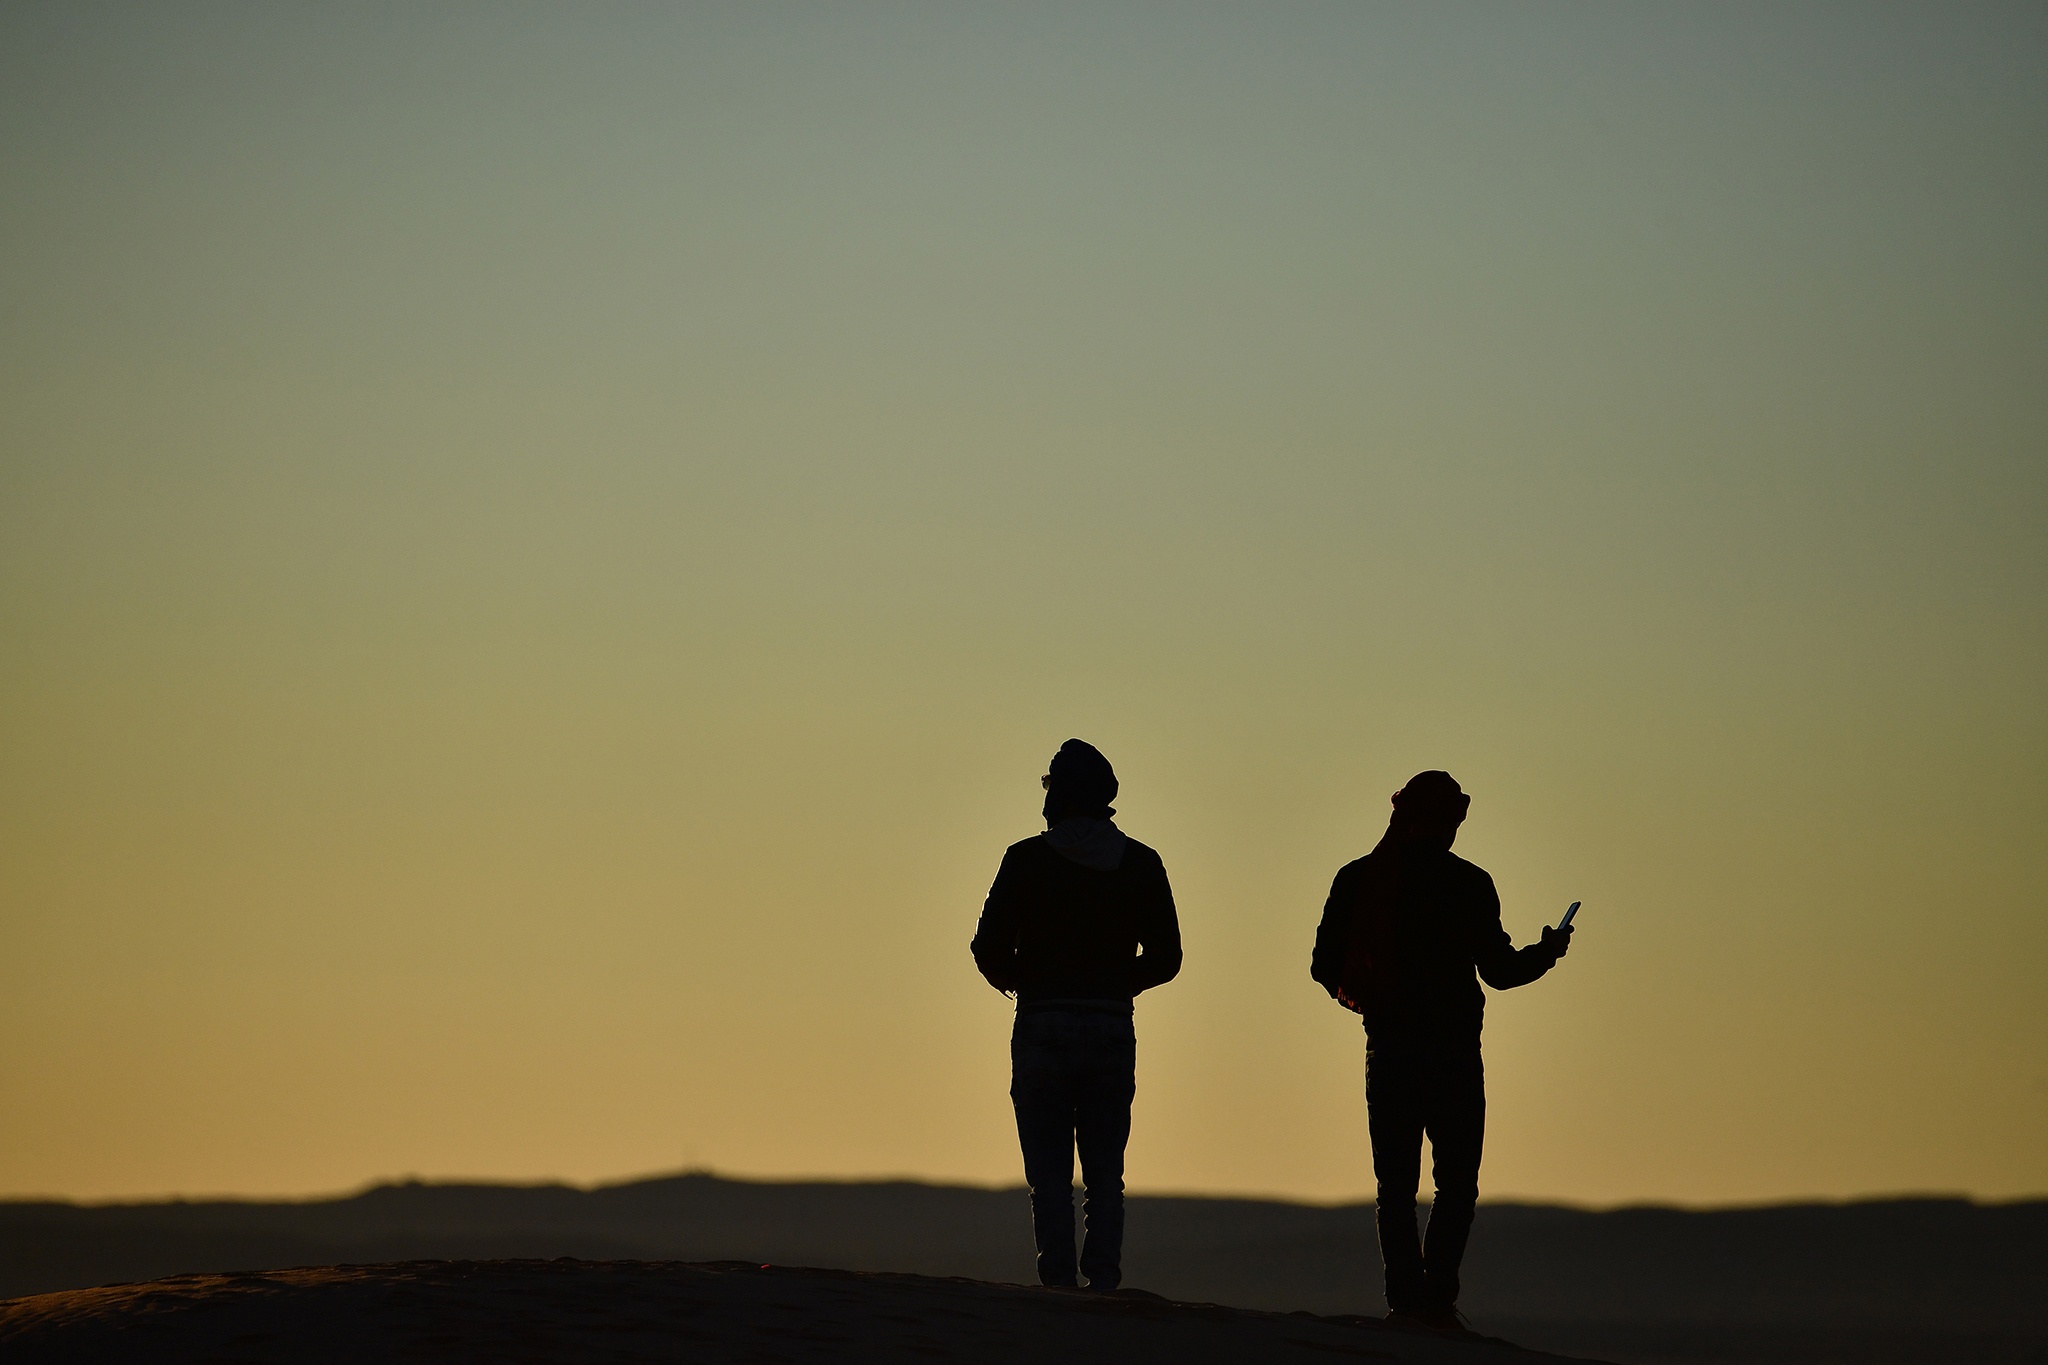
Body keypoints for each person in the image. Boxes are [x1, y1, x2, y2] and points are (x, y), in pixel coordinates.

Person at [1310, 771, 1571, 1329]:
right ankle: (1434, 1304)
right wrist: (1546, 954)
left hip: (1391, 1051)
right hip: (1452, 1053)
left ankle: (1406, 1303)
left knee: (1397, 1188)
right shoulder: (1468, 884)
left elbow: (1322, 966)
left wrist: (1371, 1001)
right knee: (1456, 1185)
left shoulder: (1360, 878)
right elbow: (1499, 971)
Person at [971, 739, 1182, 1291]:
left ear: (1058, 797)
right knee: (1105, 1172)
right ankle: (1104, 1281)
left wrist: (1021, 981)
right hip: (1111, 1026)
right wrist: (1117, 983)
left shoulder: (1026, 860)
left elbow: (986, 946)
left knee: (1049, 1173)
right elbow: (1168, 957)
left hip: (1042, 1023)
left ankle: (1058, 1283)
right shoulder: (1141, 862)